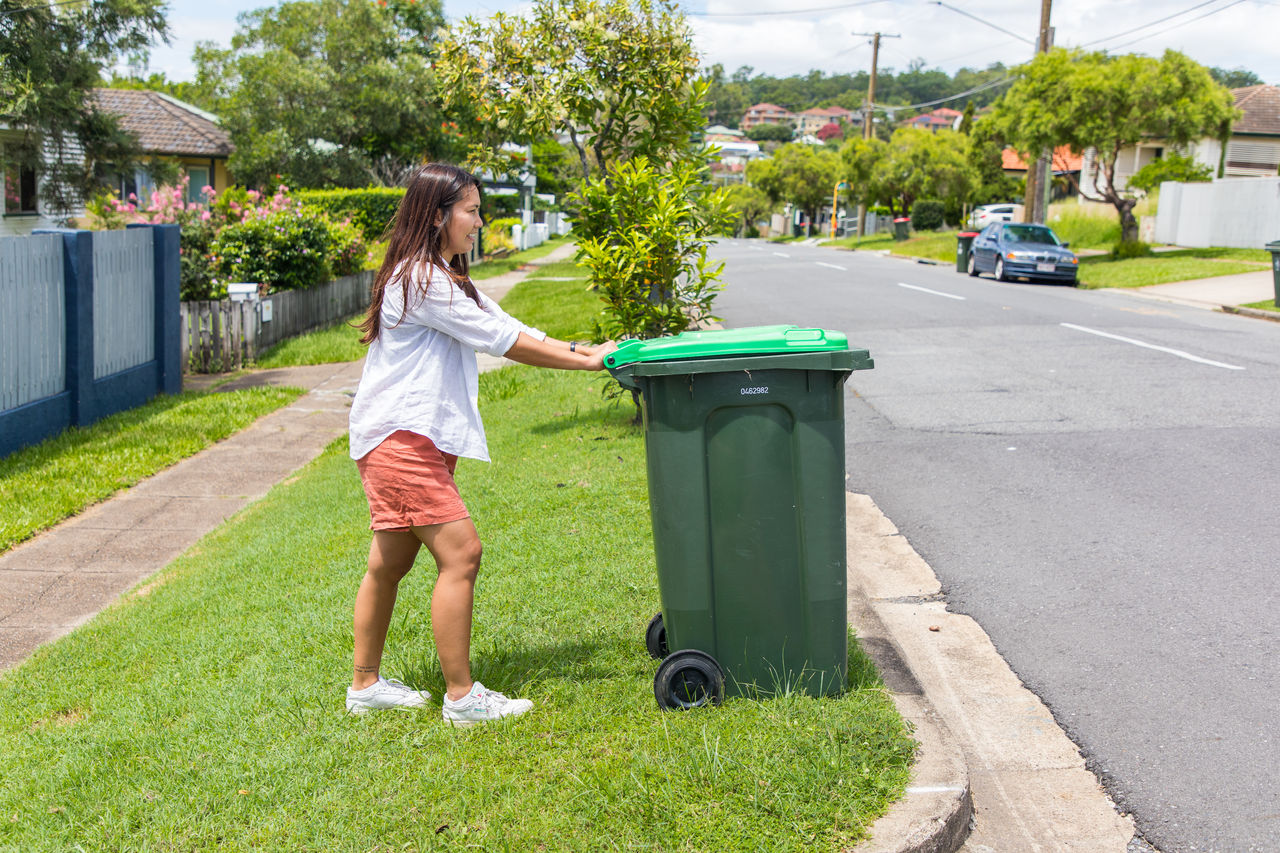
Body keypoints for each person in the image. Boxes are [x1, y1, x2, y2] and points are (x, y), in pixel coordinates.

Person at [344, 163, 616, 725]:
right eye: (471, 210)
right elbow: (502, 341)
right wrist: (583, 364)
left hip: (402, 437)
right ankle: (463, 697)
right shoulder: (422, 281)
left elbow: (505, 320)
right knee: (461, 554)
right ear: (438, 215)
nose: (479, 221)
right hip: (402, 440)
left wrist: (580, 349)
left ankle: (365, 685)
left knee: (388, 565)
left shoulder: (439, 274)